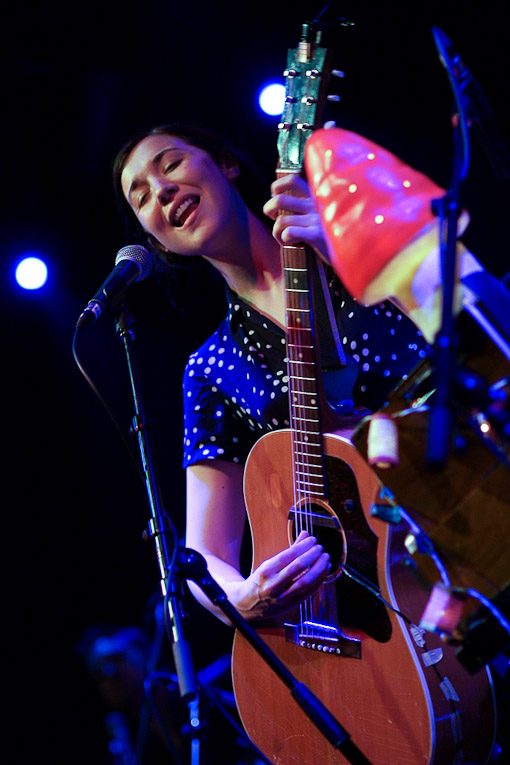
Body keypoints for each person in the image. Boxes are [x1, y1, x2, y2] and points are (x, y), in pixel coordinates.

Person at [112, 122, 462, 625]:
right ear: (155, 239)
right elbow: (206, 560)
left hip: (475, 494)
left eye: (171, 165)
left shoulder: (347, 238)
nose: (162, 190)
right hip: (392, 613)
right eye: (141, 197)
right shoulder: (211, 368)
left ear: (227, 164)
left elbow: (478, 317)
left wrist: (344, 250)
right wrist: (246, 600)